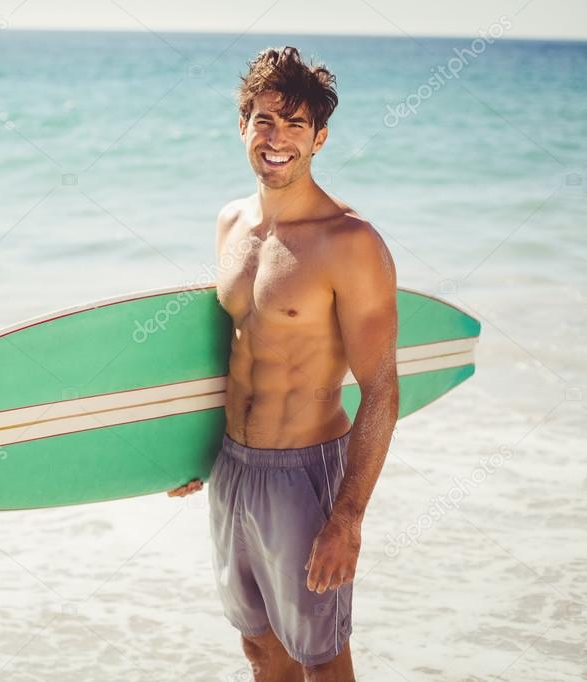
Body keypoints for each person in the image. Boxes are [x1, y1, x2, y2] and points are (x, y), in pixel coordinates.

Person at [168, 46, 399, 682]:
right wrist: (185, 451)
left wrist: (348, 519)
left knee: (320, 659)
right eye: (265, 121)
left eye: (296, 125)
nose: (277, 139)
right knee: (257, 645)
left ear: (320, 138)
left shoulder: (350, 243)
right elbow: (230, 353)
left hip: (306, 475)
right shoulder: (230, 223)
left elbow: (380, 388)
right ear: (241, 125)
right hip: (231, 468)